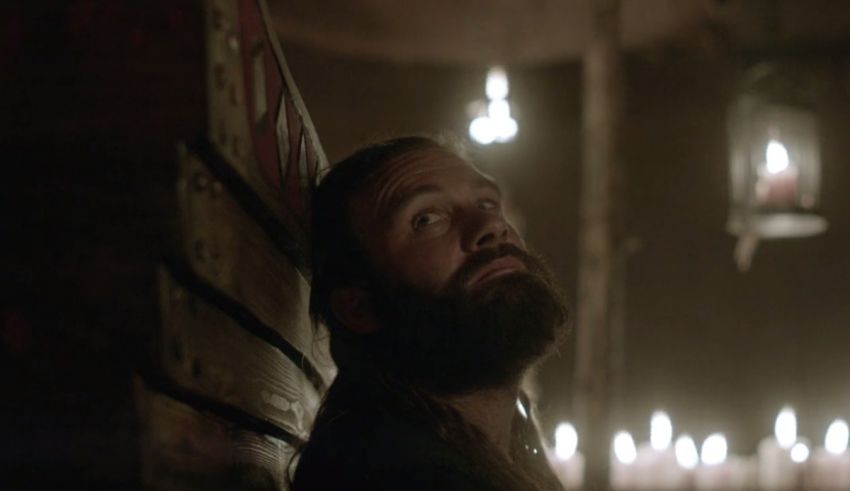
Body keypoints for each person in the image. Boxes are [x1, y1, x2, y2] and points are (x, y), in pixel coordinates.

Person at [290, 136, 568, 491]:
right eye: (426, 219)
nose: (492, 226)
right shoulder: (395, 474)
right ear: (360, 307)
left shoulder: (473, 445)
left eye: (488, 203)